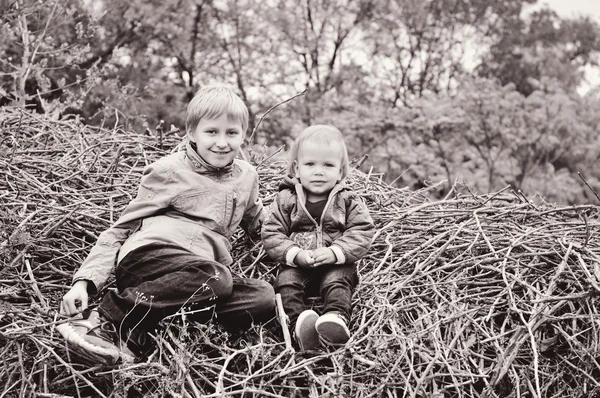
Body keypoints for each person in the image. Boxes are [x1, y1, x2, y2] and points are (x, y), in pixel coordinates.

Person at [58, 85, 275, 364]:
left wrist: (302, 238)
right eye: (212, 132)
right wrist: (84, 283)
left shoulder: (247, 176)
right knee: (218, 278)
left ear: (243, 134)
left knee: (261, 297)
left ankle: (142, 329)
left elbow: (260, 222)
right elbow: (120, 229)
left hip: (195, 277)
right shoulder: (169, 170)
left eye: (231, 133)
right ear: (192, 133)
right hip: (150, 259)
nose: (222, 142)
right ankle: (107, 319)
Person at [261, 125, 374, 351]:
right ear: (297, 168)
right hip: (299, 263)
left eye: (328, 165)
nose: (318, 171)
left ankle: (335, 319)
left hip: (334, 263)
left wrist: (336, 252)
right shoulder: (287, 199)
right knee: (285, 283)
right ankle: (300, 326)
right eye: (310, 164)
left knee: (338, 281)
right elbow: (272, 232)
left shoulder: (347, 200)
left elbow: (362, 230)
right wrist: (295, 254)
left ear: (341, 171)